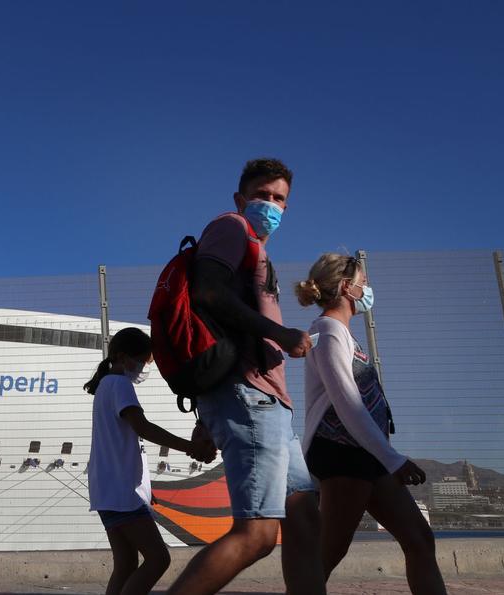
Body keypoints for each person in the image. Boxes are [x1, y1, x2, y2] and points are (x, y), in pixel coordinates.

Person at [166, 158, 323, 595]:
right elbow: (207, 292)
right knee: (256, 535)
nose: (270, 204)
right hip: (250, 395)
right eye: (262, 195)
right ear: (241, 198)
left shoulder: (257, 247)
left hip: (268, 400)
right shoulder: (232, 228)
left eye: (279, 199)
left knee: (305, 519)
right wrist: (280, 332)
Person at [296, 254, 447, 593]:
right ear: (347, 287)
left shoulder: (343, 334)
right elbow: (347, 404)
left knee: (419, 539)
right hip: (343, 454)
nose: (367, 289)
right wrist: (394, 459)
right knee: (328, 552)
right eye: (363, 281)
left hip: (367, 455)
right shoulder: (327, 329)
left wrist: (384, 455)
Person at [85, 327, 216, 595]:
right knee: (158, 559)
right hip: (123, 493)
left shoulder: (105, 387)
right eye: (143, 361)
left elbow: (121, 443)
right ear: (122, 356)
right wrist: (189, 447)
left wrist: (145, 487)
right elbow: (142, 427)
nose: (144, 369)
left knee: (126, 564)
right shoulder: (120, 384)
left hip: (108, 491)